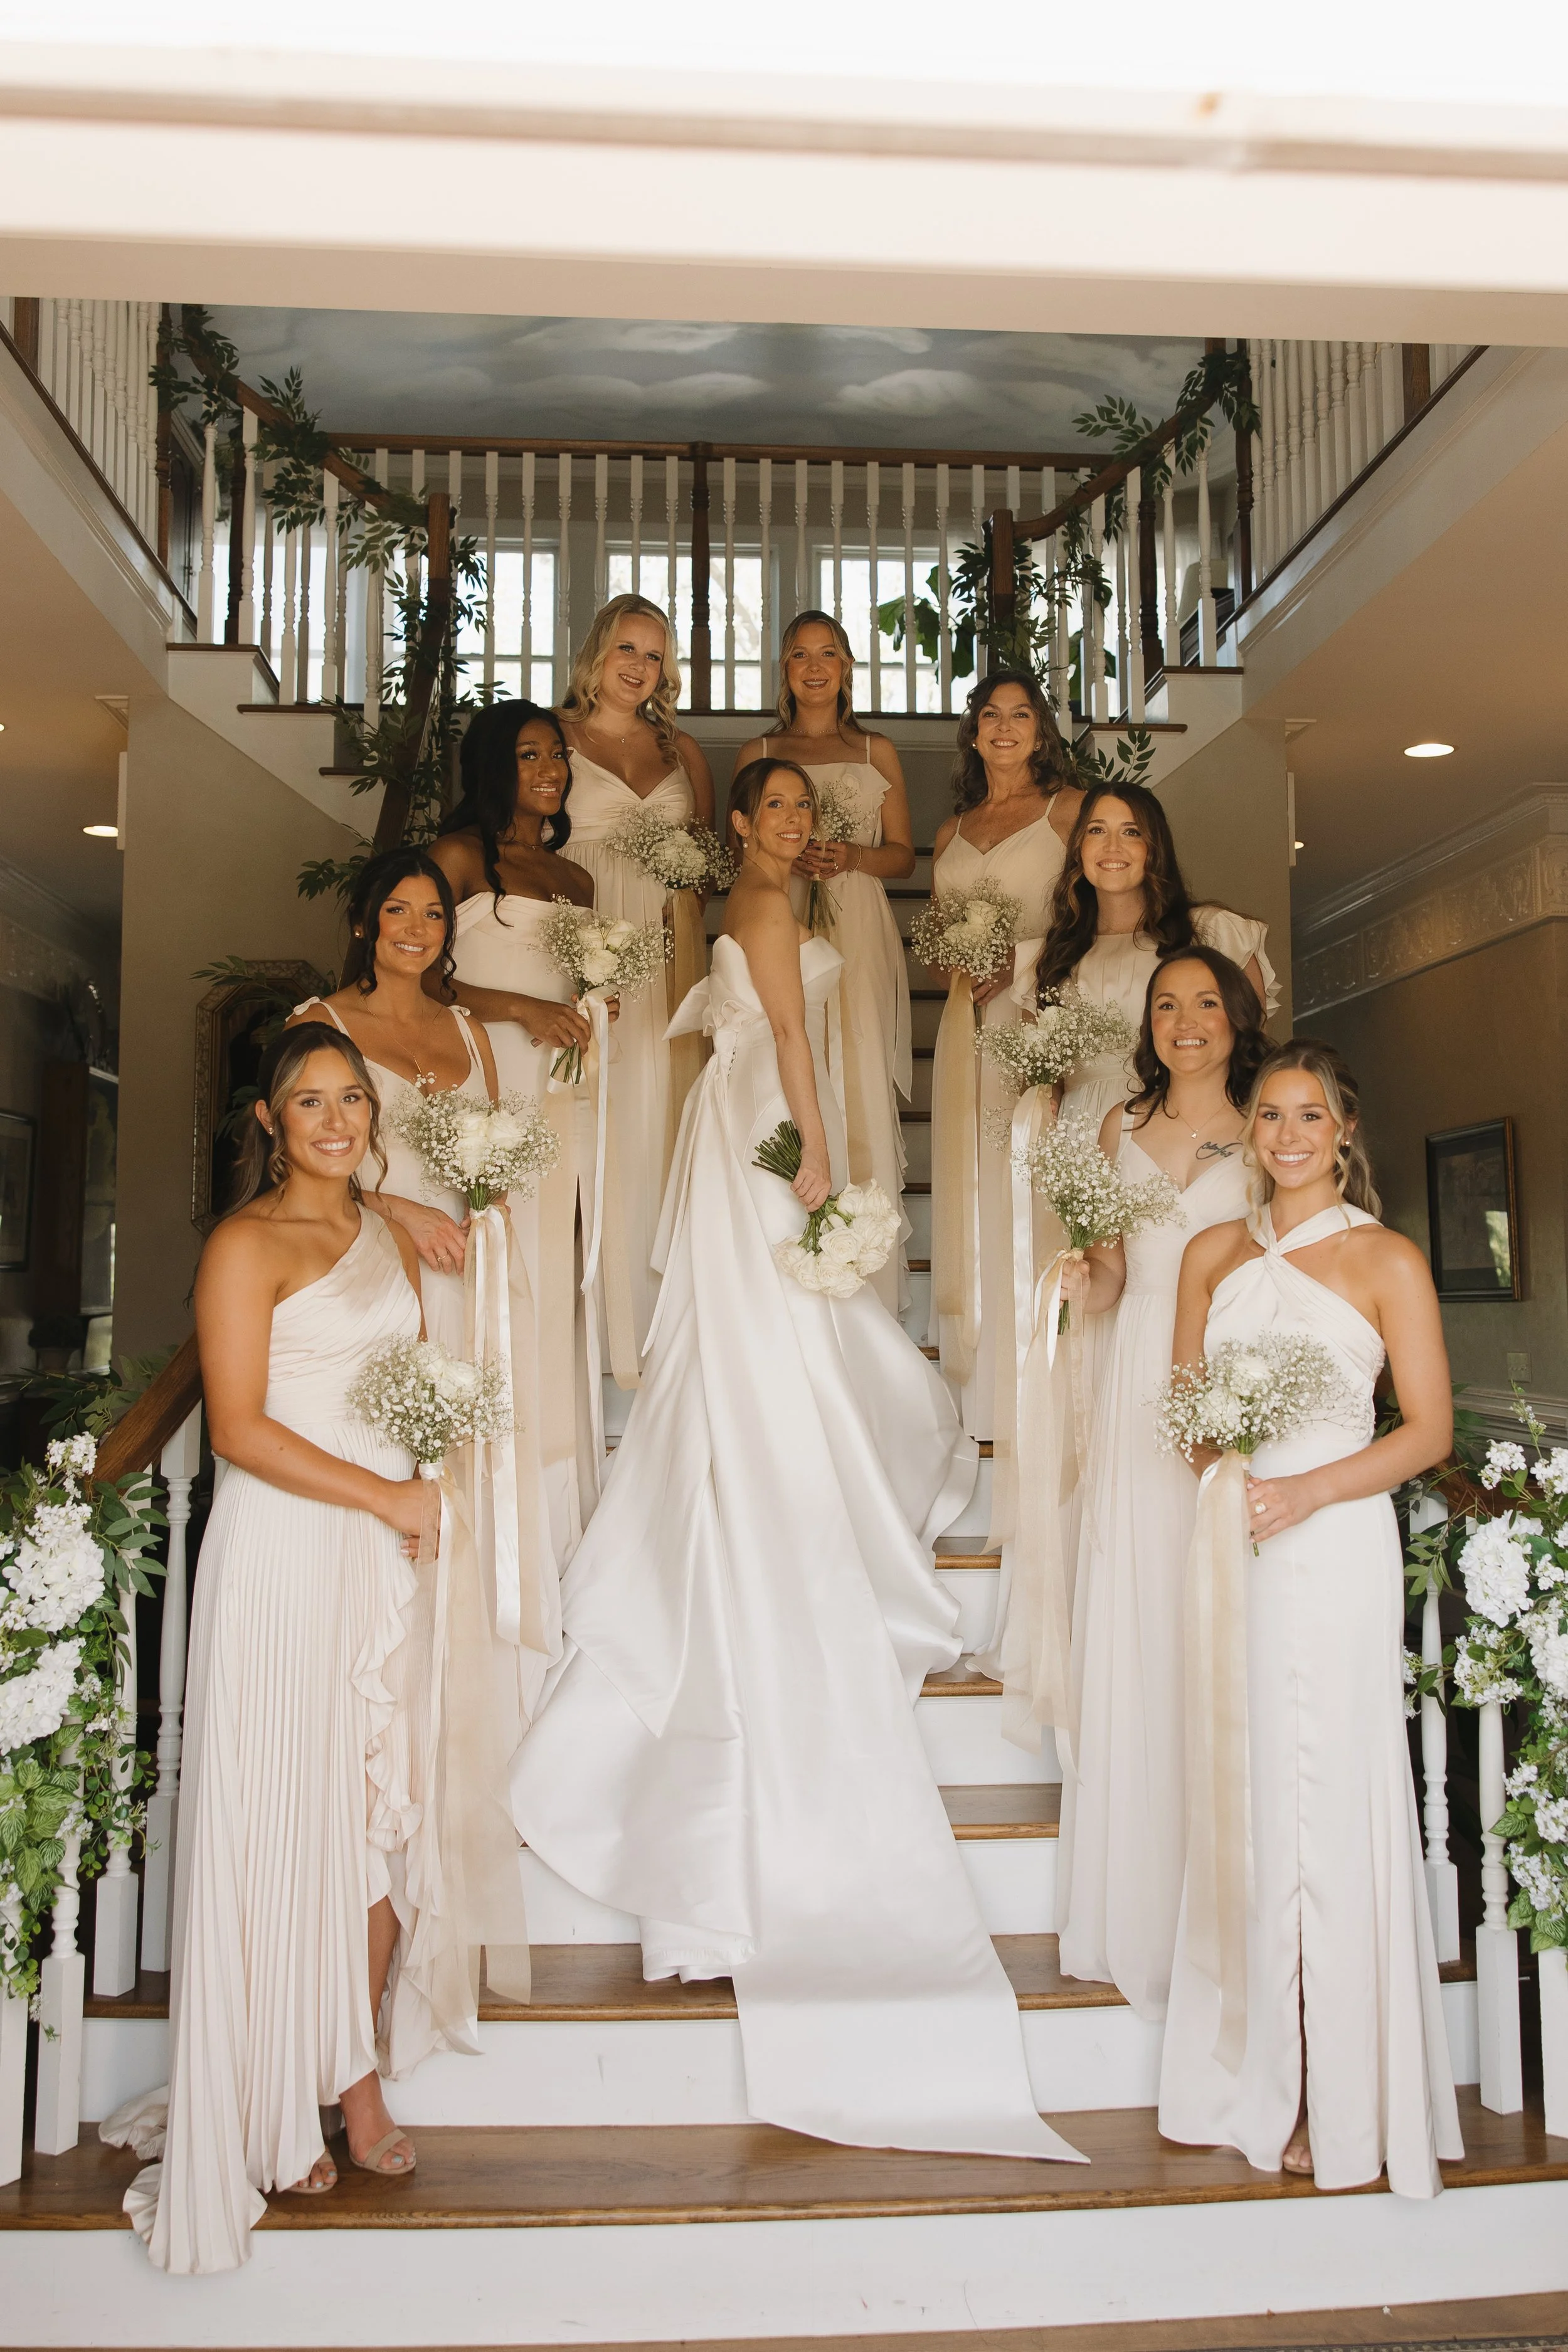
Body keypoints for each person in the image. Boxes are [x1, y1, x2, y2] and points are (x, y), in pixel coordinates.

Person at [510, 756, 1082, 2166]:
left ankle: (778, 1466)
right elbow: (780, 1034)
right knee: (784, 1333)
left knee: (779, 1337)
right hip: (773, 1133)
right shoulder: (764, 907)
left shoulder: (764, 891)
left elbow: (755, 1030)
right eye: (767, 811)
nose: (783, 827)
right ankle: (780, 1482)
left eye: (793, 813)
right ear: (740, 825)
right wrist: (828, 1157)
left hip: (745, 1131)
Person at [126, 1025, 432, 2272]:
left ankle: (352, 2077)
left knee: (370, 1814)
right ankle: (265, 2101)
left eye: (351, 1097)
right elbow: (241, 1428)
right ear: (267, 1118)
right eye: (309, 1101)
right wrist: (387, 1495)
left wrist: (424, 1478)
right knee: (282, 1819)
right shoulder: (241, 1246)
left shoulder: (393, 1232)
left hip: (373, 1551)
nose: (334, 1118)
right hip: (281, 1555)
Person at [1158, 1039, 1463, 2196]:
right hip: (1233, 1543)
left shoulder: (1386, 1258)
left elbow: (1426, 1431)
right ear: (1252, 1131)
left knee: (1329, 1803)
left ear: (1345, 1133)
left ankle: (1337, 2094)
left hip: (1333, 1543)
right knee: (1248, 1797)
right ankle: (1259, 2074)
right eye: (1271, 1115)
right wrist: (1230, 1464)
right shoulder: (1208, 1255)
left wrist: (1304, 1491)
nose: (1288, 1135)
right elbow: (1185, 1419)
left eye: (1310, 1116)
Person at [1051, 950, 1268, 2020]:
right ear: (1148, 1024)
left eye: (1207, 1005)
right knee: (1143, 1622)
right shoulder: (1116, 1131)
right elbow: (1108, 1280)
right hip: (1139, 1378)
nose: (1187, 1022)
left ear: (1240, 1018)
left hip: (1236, 1390)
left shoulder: (1271, 1131)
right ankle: (1139, 1902)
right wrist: (1077, 1275)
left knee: (1222, 1625)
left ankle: (1230, 1903)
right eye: (1168, 1006)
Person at [427, 702, 609, 1565]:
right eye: (529, 754)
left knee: (555, 1265)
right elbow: (410, 974)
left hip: (563, 1093)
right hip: (486, 1079)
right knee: (491, 1260)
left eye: (558, 755)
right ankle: (482, 1483)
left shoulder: (575, 880)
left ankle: (553, 1487)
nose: (550, 768)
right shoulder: (460, 858)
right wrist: (520, 1009)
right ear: (494, 764)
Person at [924, 669, 1083, 1540]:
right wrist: (957, 961)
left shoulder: (1067, 811)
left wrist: (1017, 964)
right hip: (964, 1025)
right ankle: (980, 1384)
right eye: (991, 714)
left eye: (1022, 714)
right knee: (975, 1184)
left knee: (1037, 1192)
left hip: (1038, 1016)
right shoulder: (950, 829)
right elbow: (941, 935)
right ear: (974, 732)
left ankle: (1044, 1377)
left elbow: (1091, 911)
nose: (1006, 727)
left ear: (1042, 730)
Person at [734, 610, 915, 1315]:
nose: (814, 666)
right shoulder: (757, 750)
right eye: (798, 654)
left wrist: (849, 857)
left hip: (858, 921)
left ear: (845, 667)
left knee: (856, 1062)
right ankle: (790, 1233)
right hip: (786, 909)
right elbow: (742, 844)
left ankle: (863, 1261)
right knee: (794, 1044)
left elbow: (902, 855)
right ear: (783, 669)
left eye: (828, 654)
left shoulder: (877, 750)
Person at [556, 594, 716, 1364]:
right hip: (582, 931)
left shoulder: (681, 750)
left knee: (664, 1105)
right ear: (597, 652)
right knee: (592, 1102)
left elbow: (714, 860)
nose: (638, 666)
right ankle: (591, 1318)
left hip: (669, 941)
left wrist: (682, 883)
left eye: (653, 655)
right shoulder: (555, 738)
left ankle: (660, 1322)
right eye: (626, 648)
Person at [287, 848, 499, 1352]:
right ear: (364, 922)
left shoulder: (469, 1030)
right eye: (397, 910)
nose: (417, 929)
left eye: (433, 915)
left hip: (468, 1268)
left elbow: (497, 1156)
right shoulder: (317, 1026)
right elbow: (287, 1168)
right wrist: (399, 1211)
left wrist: (495, 1212)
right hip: (365, 1257)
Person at [1028, 783, 1275, 1142]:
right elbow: (1039, 1074)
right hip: (1078, 1134)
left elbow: (1254, 1050)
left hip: (1186, 1124)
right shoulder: (1051, 954)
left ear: (1154, 848)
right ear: (1079, 847)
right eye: (1097, 830)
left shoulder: (1213, 932)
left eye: (1131, 832)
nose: (1112, 847)